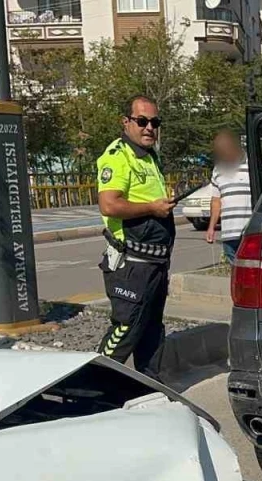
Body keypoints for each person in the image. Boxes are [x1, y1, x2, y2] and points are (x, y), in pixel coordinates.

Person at [94, 94, 176, 376]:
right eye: (142, 121)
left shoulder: (150, 157)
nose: (149, 127)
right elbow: (109, 204)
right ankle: (91, 387)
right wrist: (152, 207)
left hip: (155, 264)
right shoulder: (118, 157)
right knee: (125, 329)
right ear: (126, 122)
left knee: (152, 330)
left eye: (155, 122)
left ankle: (150, 388)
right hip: (131, 265)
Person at [206, 129, 253, 263]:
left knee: (250, 273)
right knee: (236, 275)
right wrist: (211, 227)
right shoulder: (218, 170)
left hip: (249, 232)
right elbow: (216, 201)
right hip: (228, 233)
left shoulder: (252, 165)